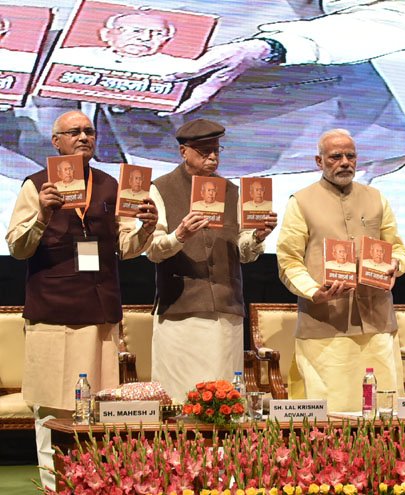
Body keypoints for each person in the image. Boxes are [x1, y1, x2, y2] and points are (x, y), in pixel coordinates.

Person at [4, 110, 158, 490]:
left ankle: (91, 481)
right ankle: (53, 484)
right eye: (73, 132)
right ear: (56, 142)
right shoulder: (35, 185)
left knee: (97, 405)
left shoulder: (110, 184)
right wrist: (42, 213)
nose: (84, 137)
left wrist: (147, 229)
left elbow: (124, 247)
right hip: (52, 310)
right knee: (50, 406)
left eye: (89, 130)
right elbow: (18, 248)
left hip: (98, 308)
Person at [276, 128, 405, 412]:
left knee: (382, 410)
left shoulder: (376, 198)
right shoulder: (300, 201)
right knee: (331, 410)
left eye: (351, 156)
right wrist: (314, 292)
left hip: (376, 320)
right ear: (319, 161)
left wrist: (395, 265)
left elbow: (398, 249)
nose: (345, 162)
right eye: (336, 156)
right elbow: (288, 260)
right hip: (325, 322)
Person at [146, 118, 278, 400]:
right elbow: (153, 250)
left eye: (216, 150)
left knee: (223, 398)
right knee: (181, 396)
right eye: (204, 151)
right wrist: (179, 235)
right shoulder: (160, 188)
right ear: (184, 151)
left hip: (225, 309)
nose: (213, 157)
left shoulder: (232, 191)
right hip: (181, 310)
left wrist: (256, 237)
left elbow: (243, 253)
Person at [49, 11, 198, 76]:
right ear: (107, 34)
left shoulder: (182, 67)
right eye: (135, 31)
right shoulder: (69, 56)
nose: (146, 38)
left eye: (158, 33)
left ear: (167, 40)